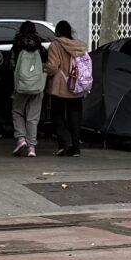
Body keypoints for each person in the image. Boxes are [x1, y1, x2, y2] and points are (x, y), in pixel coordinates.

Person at [45, 19, 87, 157]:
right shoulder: (79, 45)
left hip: (60, 87)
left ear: (57, 32)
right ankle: (75, 148)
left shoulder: (55, 45)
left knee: (57, 115)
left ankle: (65, 142)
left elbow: (53, 67)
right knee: (75, 117)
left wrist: (44, 68)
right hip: (77, 86)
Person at [7, 20, 49, 158]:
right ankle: (31, 147)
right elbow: (45, 66)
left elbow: (11, 65)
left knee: (17, 111)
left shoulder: (17, 45)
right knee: (33, 117)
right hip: (37, 86)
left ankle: (21, 139)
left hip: (21, 85)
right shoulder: (40, 47)